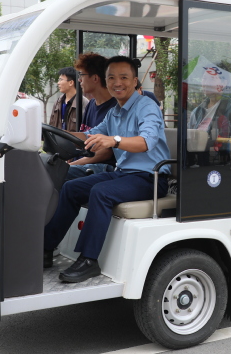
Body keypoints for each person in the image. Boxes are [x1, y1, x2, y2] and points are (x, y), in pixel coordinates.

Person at [43, 56, 171, 283]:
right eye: (111, 78)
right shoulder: (115, 111)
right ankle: (45, 248)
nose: (117, 83)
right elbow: (90, 135)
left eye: (124, 77)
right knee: (72, 188)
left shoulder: (147, 107)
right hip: (124, 175)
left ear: (134, 81)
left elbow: (146, 142)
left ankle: (89, 260)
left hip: (150, 178)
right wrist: (54, 133)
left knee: (100, 192)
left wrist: (114, 140)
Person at [66, 54, 117, 181]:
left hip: (103, 167)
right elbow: (85, 137)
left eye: (81, 75)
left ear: (95, 78)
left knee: (57, 173)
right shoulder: (91, 105)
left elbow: (105, 152)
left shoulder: (115, 109)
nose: (79, 80)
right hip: (84, 163)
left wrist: (70, 165)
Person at [187, 70, 231, 167]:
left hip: (218, 162)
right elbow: (188, 136)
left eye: (212, 78)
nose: (206, 83)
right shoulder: (197, 111)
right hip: (196, 163)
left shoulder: (230, 107)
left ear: (223, 83)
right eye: (204, 78)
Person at [48, 67, 85, 132]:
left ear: (71, 82)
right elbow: (51, 124)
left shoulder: (83, 102)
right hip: (57, 138)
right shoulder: (58, 101)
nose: (58, 83)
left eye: (61, 80)